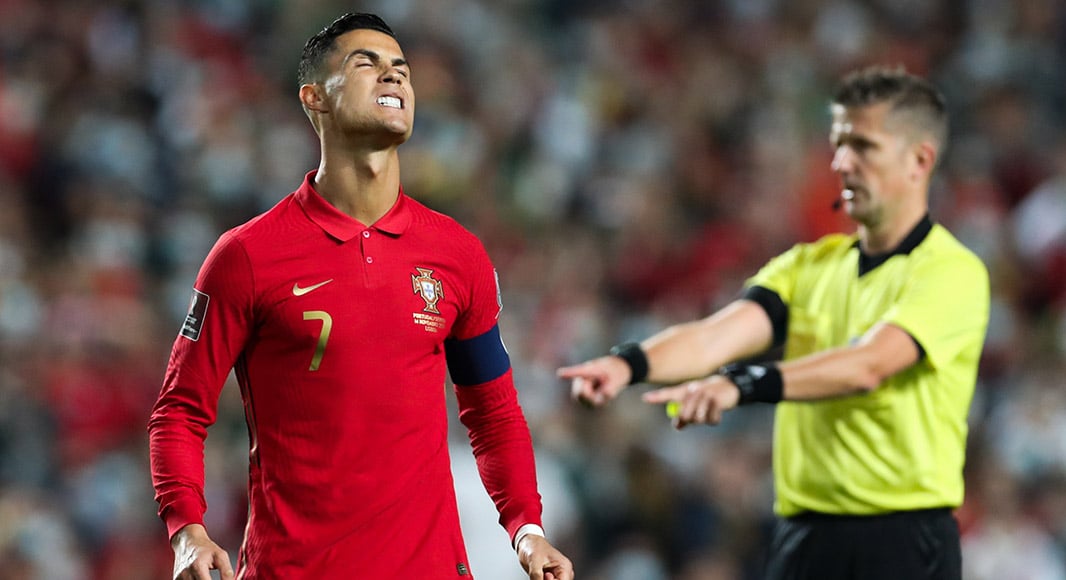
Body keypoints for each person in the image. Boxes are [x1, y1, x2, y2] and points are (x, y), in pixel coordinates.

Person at [148, 12, 574, 580]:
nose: (393, 78)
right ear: (314, 98)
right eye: (366, 65)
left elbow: (492, 413)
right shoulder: (247, 256)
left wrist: (526, 530)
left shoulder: (457, 253)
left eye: (401, 69)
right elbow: (179, 411)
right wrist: (187, 531)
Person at [558, 65, 989, 580]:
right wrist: (628, 364)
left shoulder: (952, 271)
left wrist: (743, 385)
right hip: (804, 537)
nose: (842, 163)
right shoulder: (808, 267)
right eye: (838, 145)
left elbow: (869, 365)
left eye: (863, 147)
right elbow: (717, 335)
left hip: (900, 540)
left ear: (920, 159)